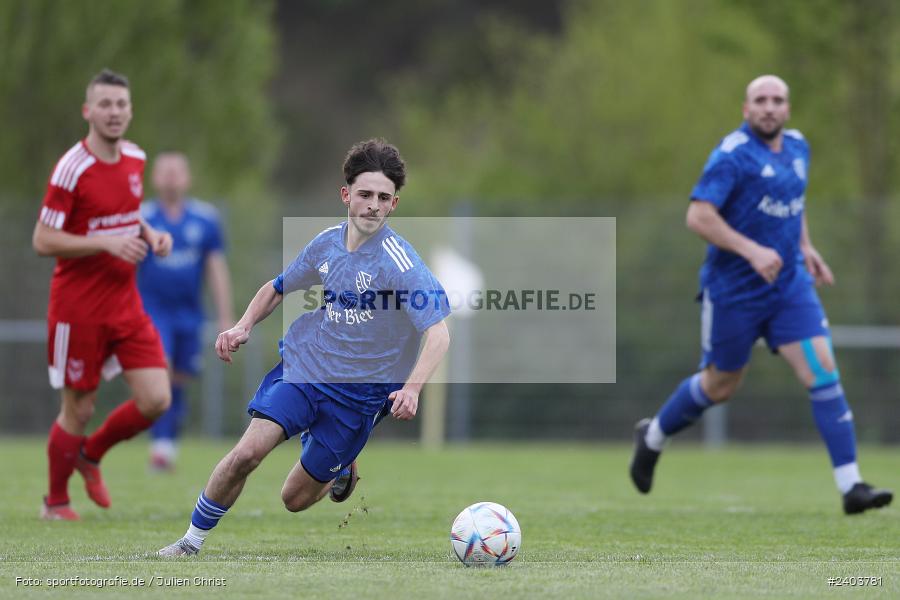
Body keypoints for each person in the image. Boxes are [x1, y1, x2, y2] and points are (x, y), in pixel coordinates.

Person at [158, 139, 451, 556]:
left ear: (394, 204)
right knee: (247, 453)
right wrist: (243, 325)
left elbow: (438, 333)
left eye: (383, 198)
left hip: (358, 399)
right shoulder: (325, 244)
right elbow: (278, 287)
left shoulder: (399, 262)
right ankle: (190, 543)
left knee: (293, 499)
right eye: (365, 194)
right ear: (346, 195)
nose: (373, 206)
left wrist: (413, 388)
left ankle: (341, 468)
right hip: (306, 370)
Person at [629, 75, 893, 515]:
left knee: (822, 370)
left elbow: (793, 201)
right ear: (746, 108)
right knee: (720, 385)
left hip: (789, 287)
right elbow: (698, 216)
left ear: (787, 108)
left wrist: (805, 247)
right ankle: (653, 436)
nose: (769, 107)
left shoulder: (799, 147)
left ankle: (852, 487)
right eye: (760, 100)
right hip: (733, 292)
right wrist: (751, 250)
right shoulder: (732, 155)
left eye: (777, 100)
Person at [32, 69, 174, 520]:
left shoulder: (135, 157)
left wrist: (150, 234)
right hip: (78, 308)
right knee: (79, 407)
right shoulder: (71, 168)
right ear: (88, 111)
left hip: (125, 303)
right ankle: (55, 503)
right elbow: (42, 240)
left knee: (157, 399)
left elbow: (125, 214)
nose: (114, 112)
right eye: (105, 104)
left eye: (121, 104)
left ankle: (90, 455)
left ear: (130, 111)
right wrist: (106, 244)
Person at [138, 152, 233, 470]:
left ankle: (168, 441)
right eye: (165, 171)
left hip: (190, 314)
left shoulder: (205, 219)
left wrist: (225, 316)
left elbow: (216, 268)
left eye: (176, 171)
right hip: (153, 311)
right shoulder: (142, 217)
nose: (171, 177)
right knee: (160, 371)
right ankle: (160, 447)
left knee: (178, 379)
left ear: (187, 178)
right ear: (154, 178)